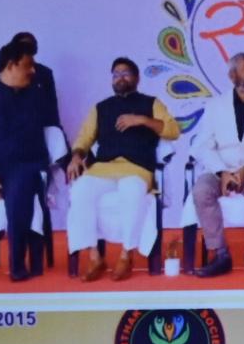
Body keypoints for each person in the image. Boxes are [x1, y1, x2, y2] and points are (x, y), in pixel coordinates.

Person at [65, 57, 178, 278]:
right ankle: (94, 257)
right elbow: (84, 138)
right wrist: (76, 157)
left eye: (125, 73)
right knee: (80, 190)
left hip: (137, 168)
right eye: (116, 74)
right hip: (103, 168)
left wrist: (142, 120)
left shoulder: (151, 103)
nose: (120, 78)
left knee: (131, 190)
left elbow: (173, 130)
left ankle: (126, 254)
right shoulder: (101, 108)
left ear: (136, 78)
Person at [0, 40, 59, 282]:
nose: (33, 70)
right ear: (11, 65)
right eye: (28, 65)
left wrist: (74, 156)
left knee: (19, 190)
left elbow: (55, 128)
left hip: (25, 164)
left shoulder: (36, 97)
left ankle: (17, 265)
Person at [186, 52, 244, 276]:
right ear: (232, 76)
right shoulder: (215, 106)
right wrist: (221, 172)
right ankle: (220, 254)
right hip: (220, 166)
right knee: (200, 191)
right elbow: (202, 146)